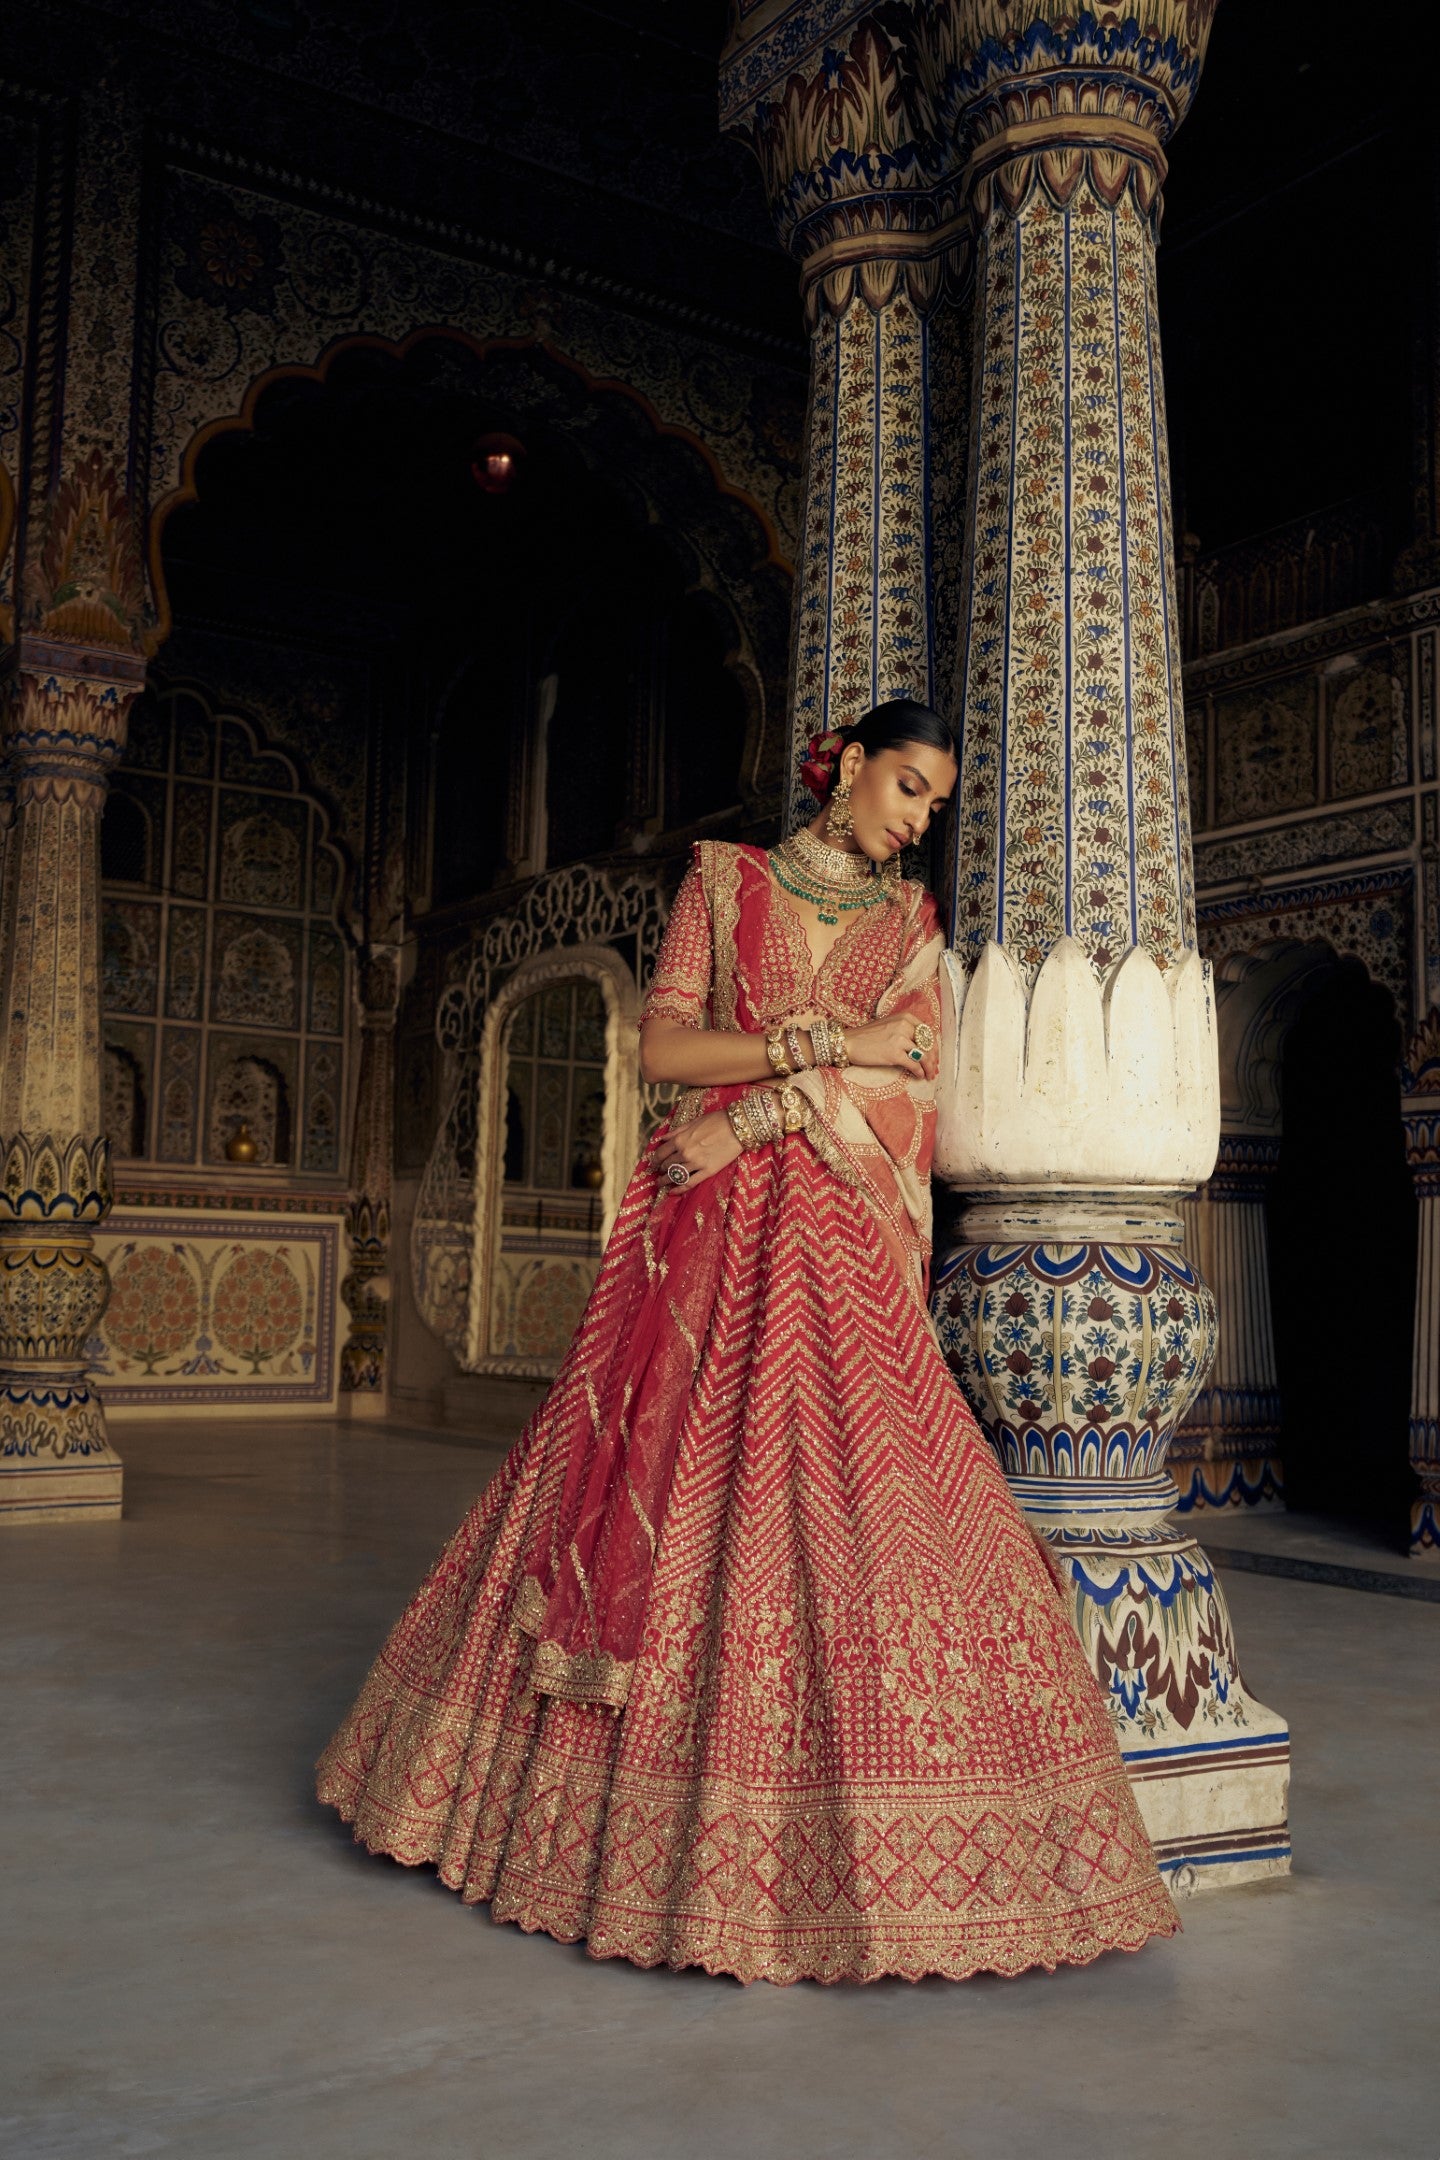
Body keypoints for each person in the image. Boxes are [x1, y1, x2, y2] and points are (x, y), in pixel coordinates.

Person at [317, 698, 1178, 1984]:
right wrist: (822, 1052)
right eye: (907, 788)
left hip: (829, 1233)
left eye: (935, 803)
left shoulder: (908, 928)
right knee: (661, 1474)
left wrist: (773, 1103)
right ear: (845, 770)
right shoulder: (725, 884)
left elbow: (906, 1082)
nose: (917, 818)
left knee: (866, 1495)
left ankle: (891, 1834)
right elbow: (666, 1051)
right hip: (706, 1234)